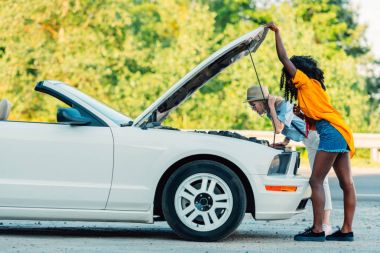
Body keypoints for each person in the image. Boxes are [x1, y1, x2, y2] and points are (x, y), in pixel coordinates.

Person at [265, 22, 356, 242]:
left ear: (298, 72)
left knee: (316, 181)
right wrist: (304, 115)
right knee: (347, 184)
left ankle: (317, 230)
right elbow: (317, 119)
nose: (289, 77)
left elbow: (283, 58)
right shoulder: (314, 87)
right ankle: (346, 231)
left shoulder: (304, 82)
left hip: (331, 132)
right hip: (341, 130)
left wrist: (277, 33)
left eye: (290, 74)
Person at [246, 85, 333, 235]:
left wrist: (272, 107)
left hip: (317, 139)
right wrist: (286, 142)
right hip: (310, 140)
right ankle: (324, 224)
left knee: (320, 181)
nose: (253, 109)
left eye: (253, 105)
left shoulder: (283, 106)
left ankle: (325, 225)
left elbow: (278, 128)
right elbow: (292, 124)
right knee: (320, 181)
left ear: (261, 101)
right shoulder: (271, 111)